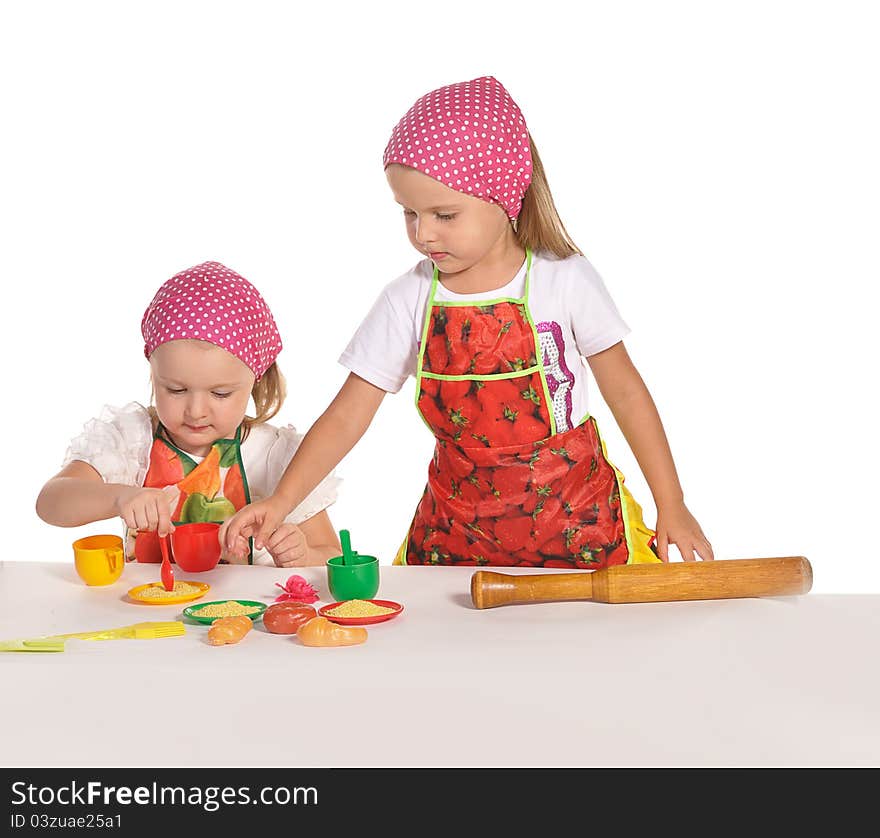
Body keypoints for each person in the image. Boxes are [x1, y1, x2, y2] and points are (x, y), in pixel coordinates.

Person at [221, 75, 713, 567]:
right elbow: (349, 415)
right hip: (456, 532)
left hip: (576, 525)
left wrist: (672, 502)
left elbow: (626, 392)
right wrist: (281, 502)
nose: (423, 233)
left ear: (504, 196)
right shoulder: (408, 299)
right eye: (409, 213)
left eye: (444, 214)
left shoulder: (564, 281)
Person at [36, 261, 342, 567]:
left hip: (246, 614)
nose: (196, 411)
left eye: (220, 394)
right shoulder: (133, 441)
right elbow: (51, 501)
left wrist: (302, 555)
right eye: (176, 390)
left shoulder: (274, 456)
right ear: (153, 371)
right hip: (148, 611)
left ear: (256, 378)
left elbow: (332, 554)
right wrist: (118, 498)